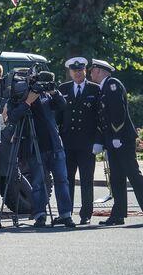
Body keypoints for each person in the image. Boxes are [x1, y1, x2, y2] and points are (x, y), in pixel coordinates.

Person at [6, 75, 76, 228]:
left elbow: (62, 105)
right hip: (34, 147)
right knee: (38, 183)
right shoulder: (18, 97)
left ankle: (65, 215)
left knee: (62, 181)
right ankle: (40, 215)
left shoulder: (45, 94)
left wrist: (53, 91)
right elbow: (12, 117)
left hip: (55, 145)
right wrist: (27, 102)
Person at [90, 59, 143, 226]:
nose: (91, 73)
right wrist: (102, 140)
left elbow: (118, 111)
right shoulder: (103, 88)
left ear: (99, 71)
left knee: (133, 175)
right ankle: (118, 215)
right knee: (117, 178)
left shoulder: (112, 84)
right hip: (112, 140)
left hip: (122, 139)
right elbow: (102, 117)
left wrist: (116, 136)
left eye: (92, 70)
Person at [56, 57, 100, 225]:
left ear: (85, 70)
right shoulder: (63, 88)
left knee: (87, 179)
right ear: (70, 72)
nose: (77, 73)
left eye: (80, 70)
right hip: (67, 143)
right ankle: (67, 212)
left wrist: (99, 141)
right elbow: (57, 117)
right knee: (67, 179)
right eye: (74, 71)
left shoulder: (94, 89)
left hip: (87, 143)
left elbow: (99, 118)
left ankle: (86, 213)